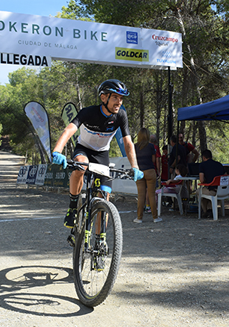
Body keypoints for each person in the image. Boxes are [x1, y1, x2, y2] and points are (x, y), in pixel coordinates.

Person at [51, 79, 144, 232]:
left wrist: (135, 166)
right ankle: (73, 206)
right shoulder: (88, 112)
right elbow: (69, 130)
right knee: (80, 166)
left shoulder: (121, 116)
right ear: (103, 97)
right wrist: (57, 151)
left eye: (121, 98)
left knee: (105, 196)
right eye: (115, 97)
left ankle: (101, 239)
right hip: (84, 149)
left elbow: (128, 143)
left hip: (102, 154)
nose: (119, 102)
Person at [134, 128, 163, 224]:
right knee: (151, 195)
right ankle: (155, 217)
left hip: (139, 172)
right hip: (150, 171)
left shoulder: (135, 146)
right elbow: (154, 160)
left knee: (141, 195)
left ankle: (139, 218)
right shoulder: (151, 146)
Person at [198, 149, 227, 218]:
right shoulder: (219, 165)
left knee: (199, 192)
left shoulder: (202, 165)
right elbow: (225, 176)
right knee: (206, 191)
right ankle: (210, 209)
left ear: (203, 157)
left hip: (213, 191)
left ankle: (205, 211)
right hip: (223, 191)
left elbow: (201, 180)